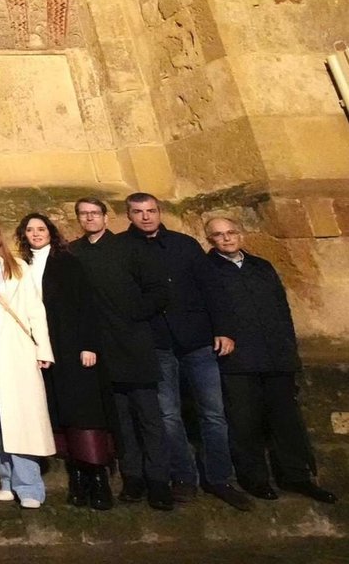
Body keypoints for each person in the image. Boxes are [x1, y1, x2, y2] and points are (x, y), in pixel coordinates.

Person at [121, 193, 251, 511]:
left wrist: (224, 329)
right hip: (156, 341)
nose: (146, 217)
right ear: (129, 215)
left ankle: (220, 478)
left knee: (214, 414)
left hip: (197, 339)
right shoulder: (122, 249)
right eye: (138, 212)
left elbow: (212, 288)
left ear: (159, 212)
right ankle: (184, 477)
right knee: (167, 416)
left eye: (151, 211)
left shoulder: (184, 244)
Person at [201, 217, 336, 504]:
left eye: (231, 233)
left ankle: (297, 475)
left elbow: (281, 309)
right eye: (219, 235)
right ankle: (254, 478)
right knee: (245, 421)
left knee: (287, 420)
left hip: (276, 356)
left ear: (241, 235)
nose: (226, 239)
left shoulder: (261, 267)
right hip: (237, 359)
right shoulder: (205, 270)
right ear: (210, 239)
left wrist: (290, 351)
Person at [70, 197, 173, 511]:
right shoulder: (74, 252)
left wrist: (132, 314)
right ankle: (132, 477)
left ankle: (159, 481)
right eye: (83, 214)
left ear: (105, 216)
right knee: (121, 421)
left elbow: (159, 291)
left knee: (150, 418)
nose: (89, 218)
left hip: (134, 344)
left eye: (94, 213)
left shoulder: (131, 248)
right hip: (102, 349)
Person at [16, 213, 114, 510]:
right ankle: (77, 478)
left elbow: (86, 304)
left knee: (84, 411)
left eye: (41, 229)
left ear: (51, 232)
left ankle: (98, 480)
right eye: (30, 230)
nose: (36, 234)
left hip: (72, 347)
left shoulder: (67, 262)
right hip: (42, 352)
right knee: (58, 413)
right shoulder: (21, 267)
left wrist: (88, 344)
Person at [0, 218, 55, 509]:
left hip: (15, 346)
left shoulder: (18, 266)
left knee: (20, 417)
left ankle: (29, 485)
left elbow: (34, 308)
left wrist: (43, 348)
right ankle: (7, 480)